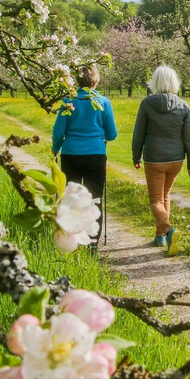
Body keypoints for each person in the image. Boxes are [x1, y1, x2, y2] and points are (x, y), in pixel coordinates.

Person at [132, 65, 190, 251]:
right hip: (176, 159)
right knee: (164, 195)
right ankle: (160, 236)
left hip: (154, 158)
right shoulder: (183, 105)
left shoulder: (146, 103)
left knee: (155, 200)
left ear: (154, 82)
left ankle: (168, 231)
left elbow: (139, 133)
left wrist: (136, 156)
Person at [52, 64, 117, 248]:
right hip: (96, 154)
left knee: (70, 198)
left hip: (71, 154)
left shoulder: (69, 101)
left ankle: (70, 239)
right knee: (95, 198)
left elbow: (58, 132)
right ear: (95, 80)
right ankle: (93, 243)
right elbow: (112, 134)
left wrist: (55, 148)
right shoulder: (103, 102)